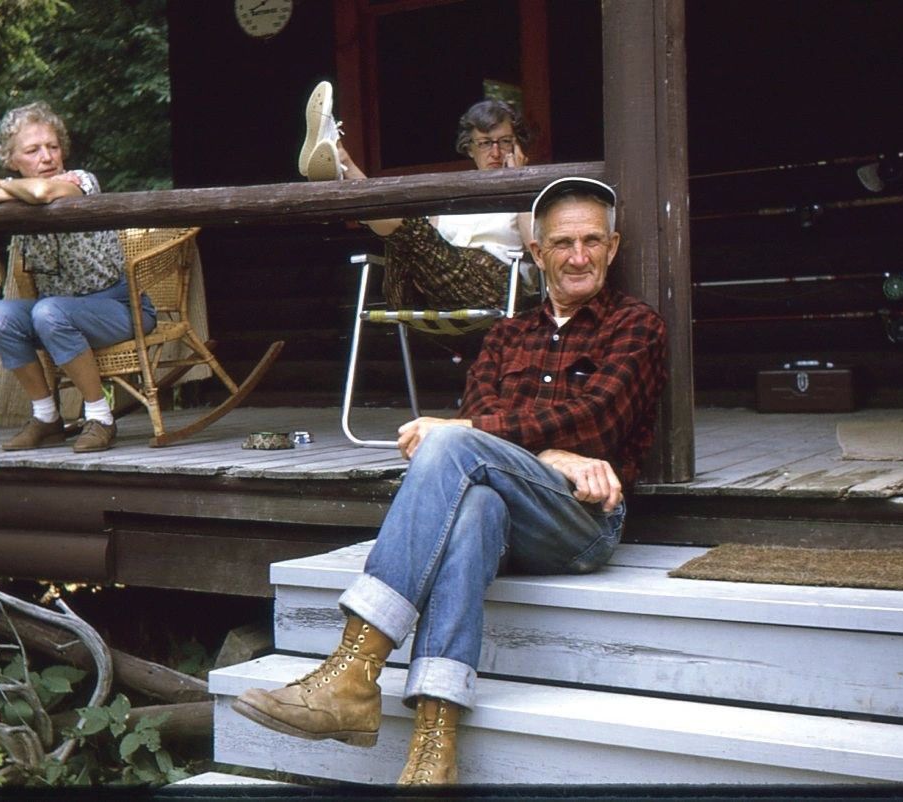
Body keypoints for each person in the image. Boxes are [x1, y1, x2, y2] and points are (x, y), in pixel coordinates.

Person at [231, 176, 668, 785]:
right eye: (563, 242)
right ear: (537, 253)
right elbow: (490, 436)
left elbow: (597, 420)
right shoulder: (504, 336)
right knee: (477, 505)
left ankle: (354, 671)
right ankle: (434, 748)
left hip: (582, 522)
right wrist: (551, 452)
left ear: (613, 247)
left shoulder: (635, 326)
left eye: (592, 240)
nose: (578, 256)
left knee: (453, 441)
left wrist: (511, 444)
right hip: (504, 517)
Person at [0, 101, 153, 453]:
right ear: (12, 159)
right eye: (33, 150)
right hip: (56, 314)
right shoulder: (17, 196)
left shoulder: (81, 181)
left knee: (47, 311)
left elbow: (42, 193)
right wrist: (15, 189)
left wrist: (3, 186)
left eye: (53, 147)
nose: (47, 157)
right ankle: (46, 418)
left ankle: (100, 417)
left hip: (121, 307)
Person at [299, 82, 535, 310]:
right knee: (409, 230)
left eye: (505, 142)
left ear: (518, 146)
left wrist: (520, 181)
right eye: (484, 143)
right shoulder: (452, 193)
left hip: (495, 286)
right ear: (469, 148)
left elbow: (538, 246)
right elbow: (424, 242)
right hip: (425, 290)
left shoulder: (531, 192)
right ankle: (343, 165)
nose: (495, 152)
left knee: (408, 227)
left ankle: (344, 165)